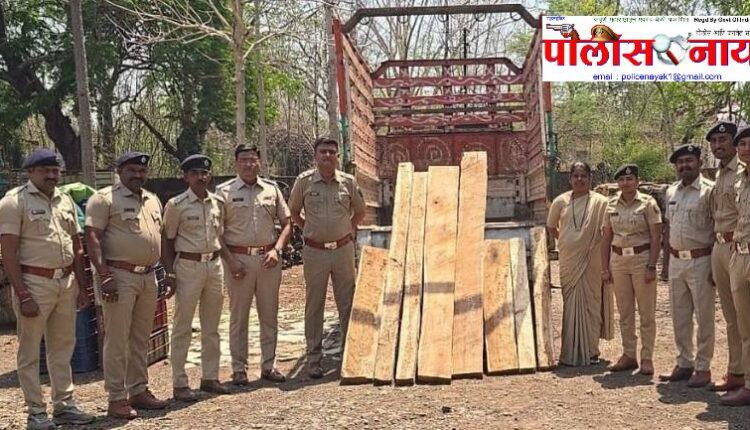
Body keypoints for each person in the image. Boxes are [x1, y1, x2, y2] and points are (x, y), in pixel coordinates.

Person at [0, 149, 94, 430]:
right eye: (44, 170)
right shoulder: (14, 202)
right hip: (34, 283)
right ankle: (36, 413)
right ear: (30, 172)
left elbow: (77, 246)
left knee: (63, 347)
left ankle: (64, 405)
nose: (51, 175)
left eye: (55, 170)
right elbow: (8, 253)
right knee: (29, 351)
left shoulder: (65, 199)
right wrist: (23, 294)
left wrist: (82, 286)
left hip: (65, 282)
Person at [85, 152, 168, 419]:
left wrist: (166, 272)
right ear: (119, 171)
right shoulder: (104, 199)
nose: (137, 175)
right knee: (117, 339)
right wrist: (104, 276)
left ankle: (138, 390)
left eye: (141, 171)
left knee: (141, 338)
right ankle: (116, 397)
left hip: (148, 276)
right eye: (131, 170)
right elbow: (92, 238)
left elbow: (159, 237)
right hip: (119, 277)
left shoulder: (152, 199)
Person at [288, 137, 366, 378]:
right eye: (323, 152)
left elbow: (360, 212)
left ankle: (349, 357)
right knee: (315, 305)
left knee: (347, 302)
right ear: (315, 155)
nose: (328, 156)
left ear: (337, 156)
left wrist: (346, 231)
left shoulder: (348, 182)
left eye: (332, 152)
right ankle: (314, 359)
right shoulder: (304, 182)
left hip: (342, 250)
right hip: (315, 252)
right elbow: (294, 212)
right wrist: (310, 230)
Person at [216, 145, 292, 385]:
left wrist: (277, 250)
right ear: (236, 163)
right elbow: (215, 231)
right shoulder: (223, 192)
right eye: (243, 160)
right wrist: (230, 260)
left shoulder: (271, 189)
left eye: (252, 159)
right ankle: (239, 368)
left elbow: (287, 222)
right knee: (239, 317)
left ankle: (269, 365)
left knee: (269, 315)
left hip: (269, 259)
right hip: (238, 261)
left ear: (259, 162)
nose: (248, 164)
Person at [162, 154, 229, 401]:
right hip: (188, 266)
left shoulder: (217, 203)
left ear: (209, 176)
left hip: (214, 265)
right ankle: (180, 383)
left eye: (204, 173)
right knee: (183, 325)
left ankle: (210, 377)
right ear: (186, 177)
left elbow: (220, 234)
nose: (200, 177)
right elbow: (166, 240)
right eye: (195, 174)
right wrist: (170, 272)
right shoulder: (176, 205)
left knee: (212, 326)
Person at [659, 144, 715, 388]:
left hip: (701, 260)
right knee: (679, 315)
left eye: (689, 160)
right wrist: (665, 263)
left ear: (699, 162)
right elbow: (668, 228)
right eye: (680, 162)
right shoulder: (671, 191)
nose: (684, 166)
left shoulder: (709, 191)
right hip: (676, 261)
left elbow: (717, 229)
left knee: (704, 316)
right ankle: (684, 362)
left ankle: (703, 367)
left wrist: (716, 265)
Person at [546, 161, 612, 367]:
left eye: (583, 175)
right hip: (569, 260)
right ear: (570, 179)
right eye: (576, 176)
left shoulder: (601, 202)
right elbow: (551, 226)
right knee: (571, 304)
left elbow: (607, 231)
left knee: (592, 302)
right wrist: (566, 241)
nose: (579, 179)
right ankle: (571, 351)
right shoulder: (560, 202)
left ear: (590, 178)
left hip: (592, 258)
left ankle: (591, 351)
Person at [601, 164, 662, 376]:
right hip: (619, 261)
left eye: (629, 179)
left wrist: (652, 265)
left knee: (646, 313)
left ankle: (647, 358)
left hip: (641, 259)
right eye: (621, 180)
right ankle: (628, 355)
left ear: (637, 181)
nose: (625, 183)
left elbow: (656, 236)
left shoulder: (648, 203)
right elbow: (606, 238)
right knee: (625, 312)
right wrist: (605, 268)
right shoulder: (611, 204)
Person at [706, 121, 745, 392]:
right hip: (719, 247)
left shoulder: (743, 172)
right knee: (731, 316)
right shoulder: (719, 174)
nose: (718, 146)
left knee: (745, 316)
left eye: (723, 140)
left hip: (738, 246)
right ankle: (736, 371)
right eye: (714, 142)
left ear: (734, 142)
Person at [721, 125, 750, 406]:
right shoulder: (739, 181)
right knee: (744, 324)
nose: (746, 149)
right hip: (740, 255)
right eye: (742, 144)